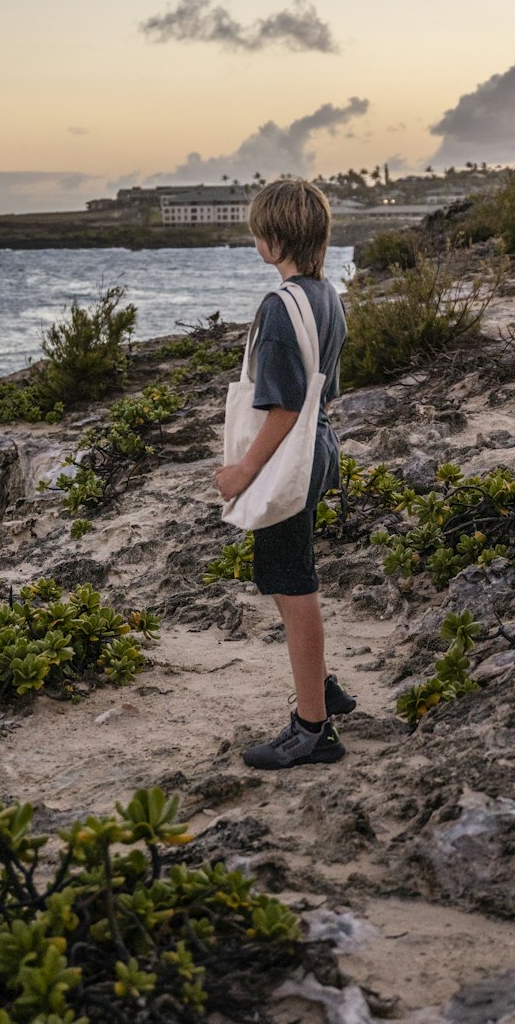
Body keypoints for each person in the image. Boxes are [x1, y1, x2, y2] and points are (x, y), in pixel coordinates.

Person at [214, 178, 356, 770]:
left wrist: (242, 470)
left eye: (257, 231)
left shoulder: (279, 308)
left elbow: (285, 406)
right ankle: (323, 689)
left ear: (271, 238)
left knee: (291, 581)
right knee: (284, 571)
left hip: (286, 460)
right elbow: (322, 391)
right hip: (320, 451)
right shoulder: (327, 296)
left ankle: (312, 728)